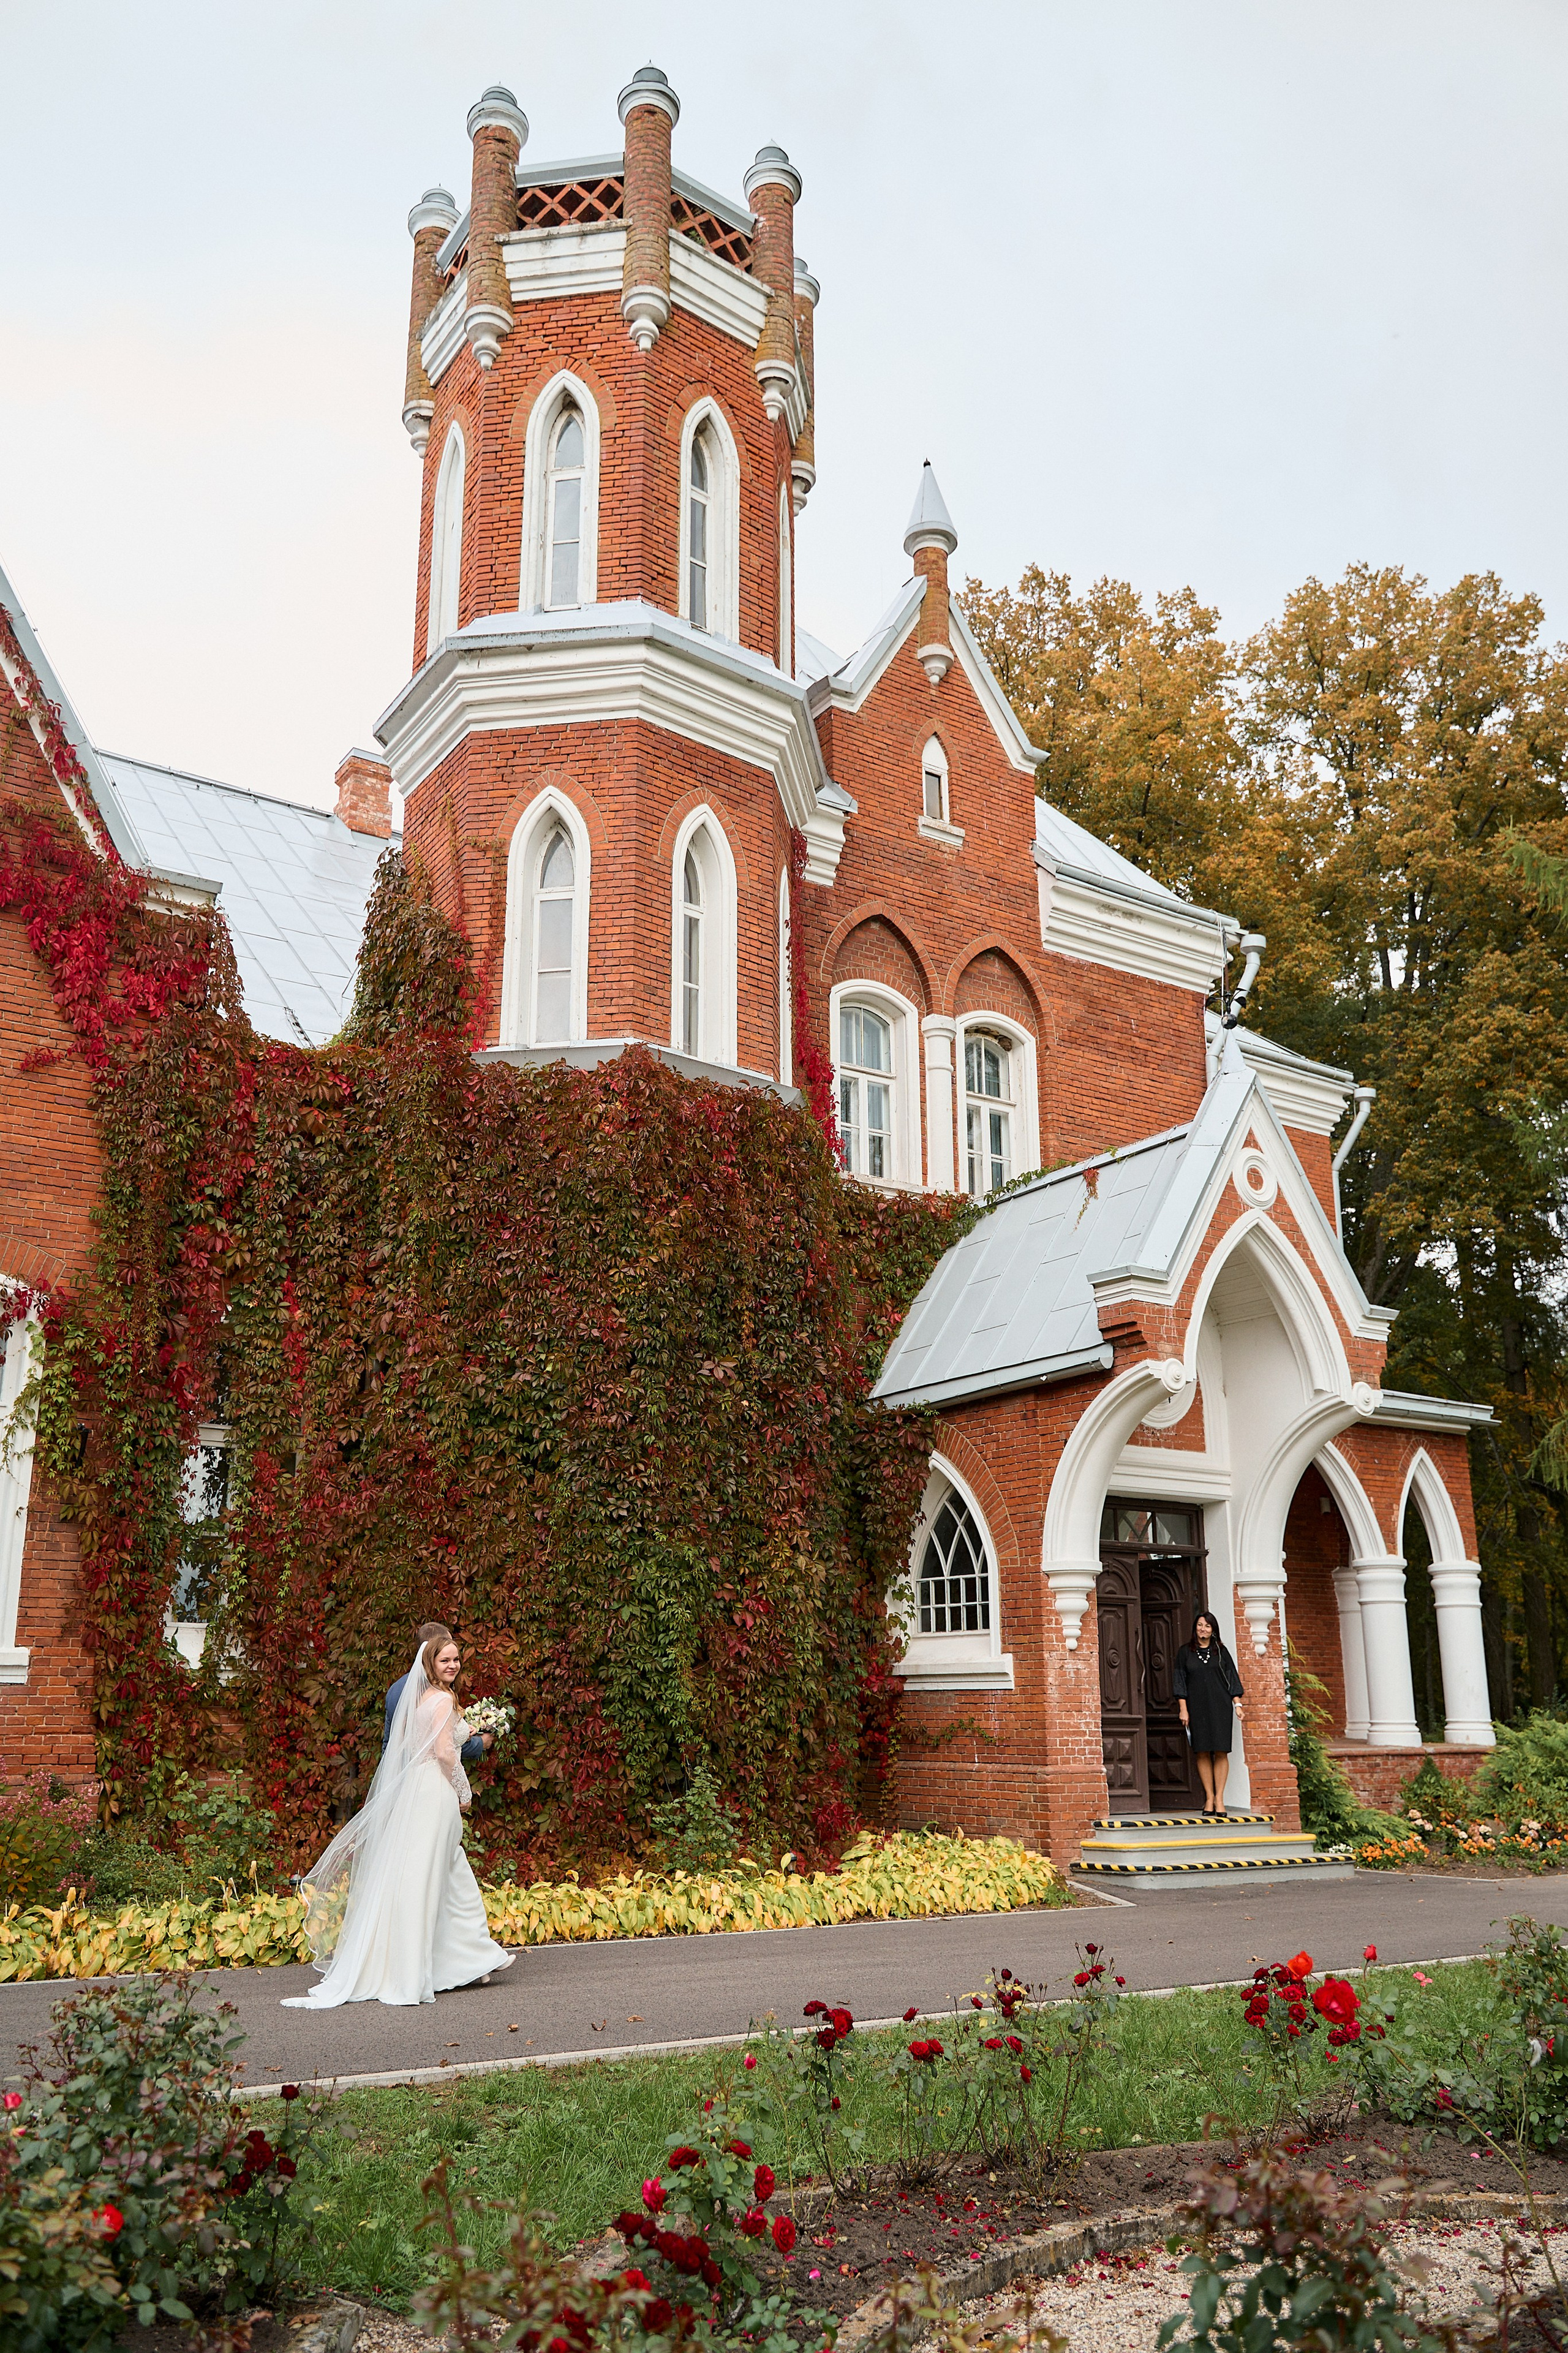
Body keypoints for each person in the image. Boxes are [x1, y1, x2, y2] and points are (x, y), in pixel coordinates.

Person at [282, 1630, 514, 2008]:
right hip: (434, 1790)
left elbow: (407, 1744)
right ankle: (424, 1968)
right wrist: (463, 1790)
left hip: (416, 1789)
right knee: (430, 1876)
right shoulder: (442, 1699)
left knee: (441, 1873)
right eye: (445, 1660)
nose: (453, 1665)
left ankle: (472, 1959)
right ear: (430, 1662)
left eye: (457, 1659)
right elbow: (444, 1753)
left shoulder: (418, 1697)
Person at [386, 1621, 492, 1769]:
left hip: (403, 1771)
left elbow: (390, 1742)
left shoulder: (396, 1688)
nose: (452, 1664)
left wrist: (461, 1729)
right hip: (429, 1772)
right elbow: (439, 1748)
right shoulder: (436, 1693)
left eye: (455, 1659)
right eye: (445, 1657)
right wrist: (480, 1743)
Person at [1172, 1610, 1245, 1816]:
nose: (1203, 1629)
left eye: (1207, 1626)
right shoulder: (1185, 1652)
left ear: (1213, 1630)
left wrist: (1238, 1705)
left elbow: (1232, 1678)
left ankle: (1220, 1799)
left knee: (1221, 1751)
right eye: (1200, 1625)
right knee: (1202, 1751)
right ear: (1195, 1628)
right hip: (1196, 1707)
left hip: (1220, 1706)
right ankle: (1209, 1798)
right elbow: (1180, 1681)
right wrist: (1183, 1709)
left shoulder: (1221, 1651)